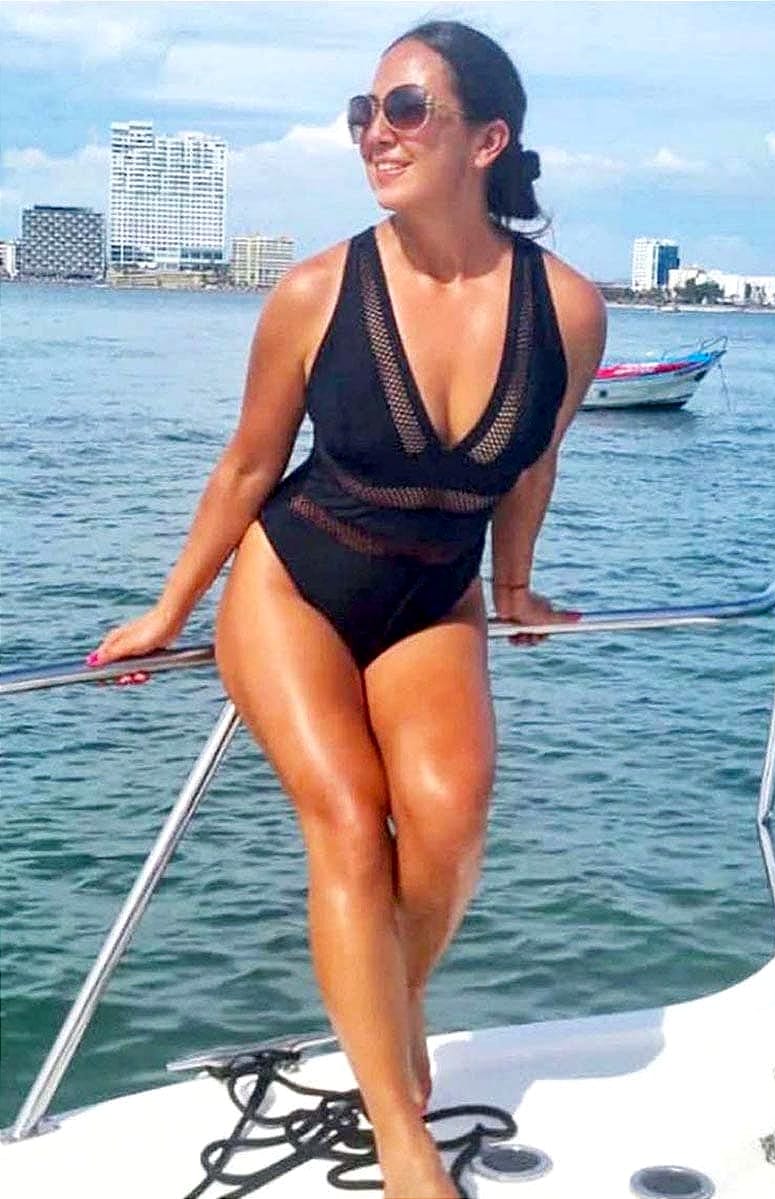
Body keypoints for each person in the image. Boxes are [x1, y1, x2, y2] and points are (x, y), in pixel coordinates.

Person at [88, 19, 606, 1199]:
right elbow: (247, 464)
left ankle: (385, 1004)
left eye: (405, 109)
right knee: (348, 821)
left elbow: (532, 461)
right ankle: (399, 1132)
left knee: (449, 829)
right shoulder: (317, 290)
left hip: (434, 594)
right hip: (295, 579)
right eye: (363, 112)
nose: (376, 131)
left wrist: (512, 584)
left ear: (486, 139)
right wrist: (170, 606)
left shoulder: (567, 310)